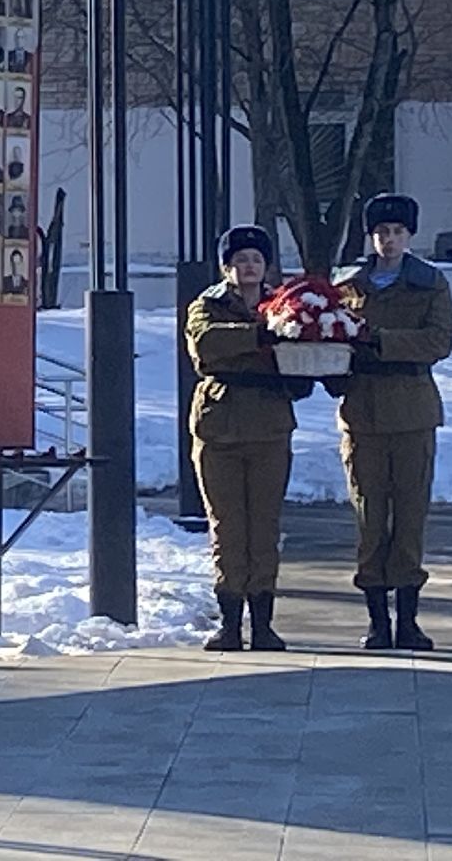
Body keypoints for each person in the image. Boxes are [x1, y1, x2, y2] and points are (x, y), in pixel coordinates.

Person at [328, 193, 452, 651]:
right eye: (382, 232)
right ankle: (377, 621)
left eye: (398, 232)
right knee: (368, 517)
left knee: (409, 517)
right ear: (371, 236)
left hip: (412, 409)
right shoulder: (349, 285)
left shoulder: (429, 283)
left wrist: (378, 340)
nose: (389, 240)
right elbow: (331, 335)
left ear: (410, 235)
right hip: (361, 411)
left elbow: (438, 341)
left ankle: (409, 621)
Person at [186, 225, 308, 652]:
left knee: (264, 526)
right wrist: (260, 336)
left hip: (269, 425)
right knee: (227, 527)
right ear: (226, 266)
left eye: (256, 258)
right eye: (240, 259)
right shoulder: (208, 304)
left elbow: (299, 350)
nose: (249, 266)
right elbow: (206, 345)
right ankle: (230, 622)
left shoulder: (286, 307)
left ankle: (264, 623)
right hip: (219, 426)